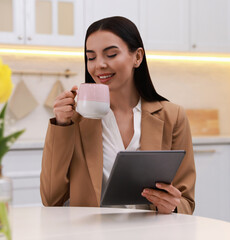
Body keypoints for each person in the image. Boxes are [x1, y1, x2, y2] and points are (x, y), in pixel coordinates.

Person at [40, 16, 196, 214]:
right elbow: (50, 199)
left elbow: (186, 202)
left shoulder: (172, 116)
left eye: (111, 54)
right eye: (91, 57)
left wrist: (172, 206)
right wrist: (61, 126)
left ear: (137, 57)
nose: (99, 65)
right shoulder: (73, 121)